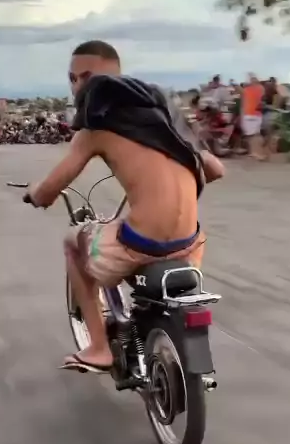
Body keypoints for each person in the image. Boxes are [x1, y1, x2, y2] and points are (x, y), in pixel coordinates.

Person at [24, 40, 225, 373]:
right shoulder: (166, 119)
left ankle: (99, 348)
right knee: (133, 235)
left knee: (73, 242)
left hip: (143, 241)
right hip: (190, 243)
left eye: (86, 77)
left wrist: (34, 193)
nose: (78, 85)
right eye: (72, 78)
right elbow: (216, 169)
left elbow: (48, 192)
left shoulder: (96, 128)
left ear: (112, 76)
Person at [241, 74, 265, 159]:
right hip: (250, 114)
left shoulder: (257, 89)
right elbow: (243, 103)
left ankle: (257, 152)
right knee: (251, 135)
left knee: (254, 135)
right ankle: (253, 152)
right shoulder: (249, 90)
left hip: (253, 114)